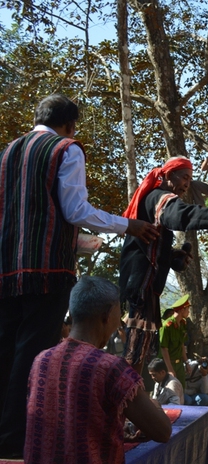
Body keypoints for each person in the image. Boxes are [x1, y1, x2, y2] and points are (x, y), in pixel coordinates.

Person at [0, 94, 158, 459]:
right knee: (33, 356)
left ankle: (4, 440)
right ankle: (17, 444)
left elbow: (30, 215)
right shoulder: (66, 149)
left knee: (5, 351)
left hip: (7, 273)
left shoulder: (7, 153)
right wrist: (128, 225)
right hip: (47, 274)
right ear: (70, 125)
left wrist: (81, 242)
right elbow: (75, 209)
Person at [119, 156, 208, 377]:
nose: (186, 184)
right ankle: (123, 399)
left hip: (144, 287)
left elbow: (150, 248)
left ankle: (129, 395)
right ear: (168, 175)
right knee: (133, 354)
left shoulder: (153, 200)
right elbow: (182, 215)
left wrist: (173, 257)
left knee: (138, 353)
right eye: (184, 177)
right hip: (141, 288)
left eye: (190, 179)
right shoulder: (160, 198)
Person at [24, 276, 171, 463]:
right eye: (120, 314)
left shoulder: (41, 361)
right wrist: (156, 406)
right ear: (107, 314)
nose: (120, 323)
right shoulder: (110, 368)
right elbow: (162, 431)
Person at [159, 295, 190, 387]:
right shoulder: (166, 326)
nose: (188, 312)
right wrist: (170, 369)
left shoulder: (183, 324)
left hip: (179, 364)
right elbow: (164, 349)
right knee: (168, 390)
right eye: (187, 310)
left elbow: (182, 345)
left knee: (181, 389)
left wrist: (187, 362)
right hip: (167, 364)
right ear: (182, 310)